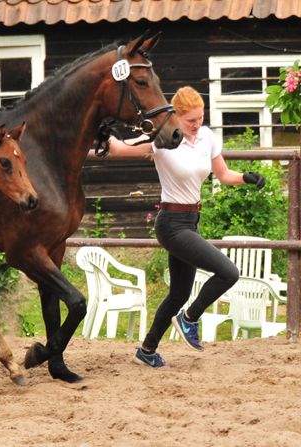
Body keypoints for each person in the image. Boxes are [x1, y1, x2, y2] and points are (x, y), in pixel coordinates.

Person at [107, 86, 266, 367]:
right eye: (191, 120)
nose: (197, 125)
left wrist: (246, 177)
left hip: (191, 222)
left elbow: (223, 173)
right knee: (229, 272)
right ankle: (189, 319)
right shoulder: (163, 139)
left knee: (179, 293)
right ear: (177, 117)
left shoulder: (206, 137)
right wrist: (99, 132)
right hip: (171, 224)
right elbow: (121, 148)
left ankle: (147, 351)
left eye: (200, 118)